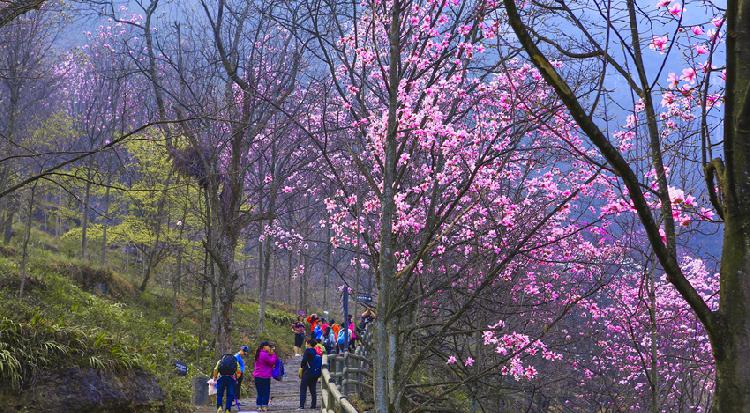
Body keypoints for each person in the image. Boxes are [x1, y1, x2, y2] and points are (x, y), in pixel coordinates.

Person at [253, 341, 278, 412]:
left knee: (259, 392)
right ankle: (264, 406)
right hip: (264, 376)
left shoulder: (258, 353)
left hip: (257, 375)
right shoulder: (264, 354)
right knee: (266, 391)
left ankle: (258, 406)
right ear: (264, 347)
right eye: (268, 346)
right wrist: (273, 355)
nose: (269, 347)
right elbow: (272, 362)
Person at [299, 339, 322, 410]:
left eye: (306, 343)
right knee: (313, 389)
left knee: (303, 388)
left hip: (307, 372)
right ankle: (313, 405)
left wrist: (302, 366)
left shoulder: (308, 350)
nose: (306, 345)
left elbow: (304, 360)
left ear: (308, 344)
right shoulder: (315, 351)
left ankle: (302, 405)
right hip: (315, 373)